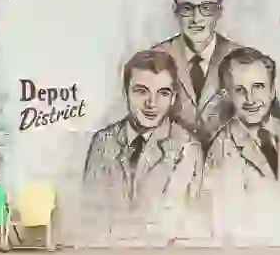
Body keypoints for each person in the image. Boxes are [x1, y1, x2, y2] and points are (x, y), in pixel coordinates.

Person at [83, 49, 207, 242]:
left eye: (163, 93)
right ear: (126, 93)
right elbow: (90, 217)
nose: (152, 103)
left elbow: (190, 226)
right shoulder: (103, 142)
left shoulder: (187, 147)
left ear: (173, 98)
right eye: (141, 92)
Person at [203, 47, 280, 246]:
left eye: (259, 87)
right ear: (228, 95)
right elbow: (224, 226)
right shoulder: (220, 150)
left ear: (272, 91)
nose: (251, 99)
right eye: (240, 90)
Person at [151, 0, 243, 147]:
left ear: (219, 11)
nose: (196, 18)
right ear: (175, 10)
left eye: (206, 8)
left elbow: (266, 124)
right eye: (187, 8)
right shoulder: (156, 58)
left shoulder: (241, 59)